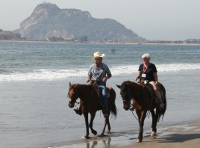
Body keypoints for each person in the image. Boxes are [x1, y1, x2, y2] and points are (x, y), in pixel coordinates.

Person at [74, 51, 112, 117]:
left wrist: (106, 78)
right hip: (93, 83)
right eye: (99, 58)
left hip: (101, 83)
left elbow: (109, 75)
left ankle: (105, 110)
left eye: (101, 58)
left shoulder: (104, 66)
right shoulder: (92, 67)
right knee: (84, 93)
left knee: (104, 94)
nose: (101, 59)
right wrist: (88, 78)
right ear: (96, 59)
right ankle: (80, 108)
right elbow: (89, 75)